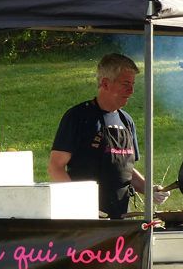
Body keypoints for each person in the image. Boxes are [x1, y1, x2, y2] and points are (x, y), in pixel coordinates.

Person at [48, 53, 168, 219]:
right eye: (126, 84)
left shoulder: (126, 121)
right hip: (86, 220)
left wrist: (149, 189)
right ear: (105, 83)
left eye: (133, 85)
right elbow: (55, 166)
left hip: (122, 217)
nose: (131, 91)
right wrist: (77, 204)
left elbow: (125, 168)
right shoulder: (78, 117)